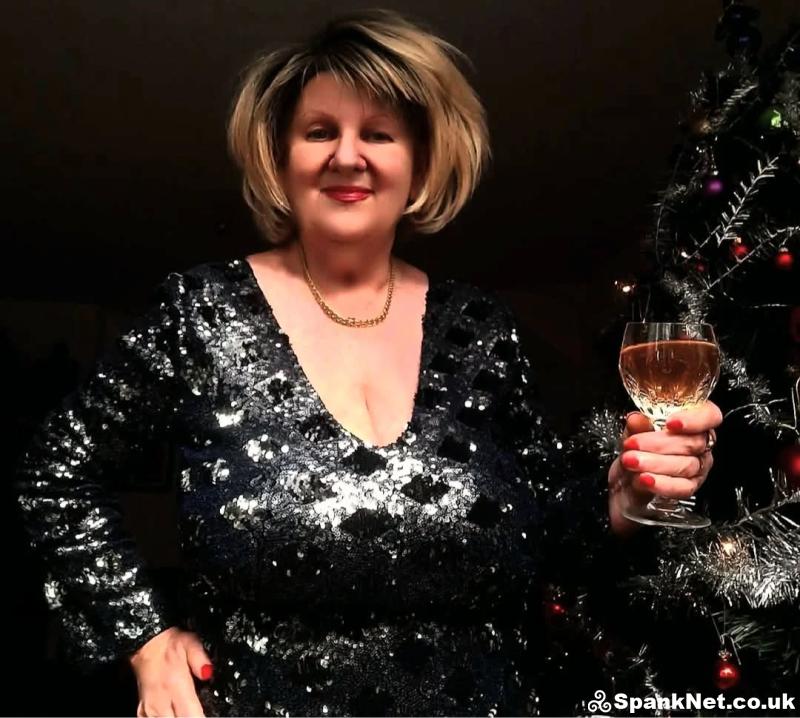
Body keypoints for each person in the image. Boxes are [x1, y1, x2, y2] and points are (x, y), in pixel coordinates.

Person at [14, 9, 722, 717]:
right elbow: (55, 473)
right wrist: (144, 638)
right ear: (280, 156)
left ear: (418, 162)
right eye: (320, 131)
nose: (347, 156)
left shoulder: (481, 328)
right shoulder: (201, 312)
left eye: (378, 134)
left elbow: (552, 529)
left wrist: (626, 502)